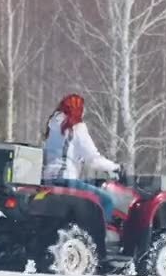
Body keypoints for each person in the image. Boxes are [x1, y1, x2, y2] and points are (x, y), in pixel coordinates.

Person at [42, 94, 120, 260]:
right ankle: (102, 247)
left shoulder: (53, 125)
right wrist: (115, 168)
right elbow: (93, 159)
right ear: (77, 109)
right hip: (66, 179)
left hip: (48, 180)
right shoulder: (76, 128)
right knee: (106, 200)